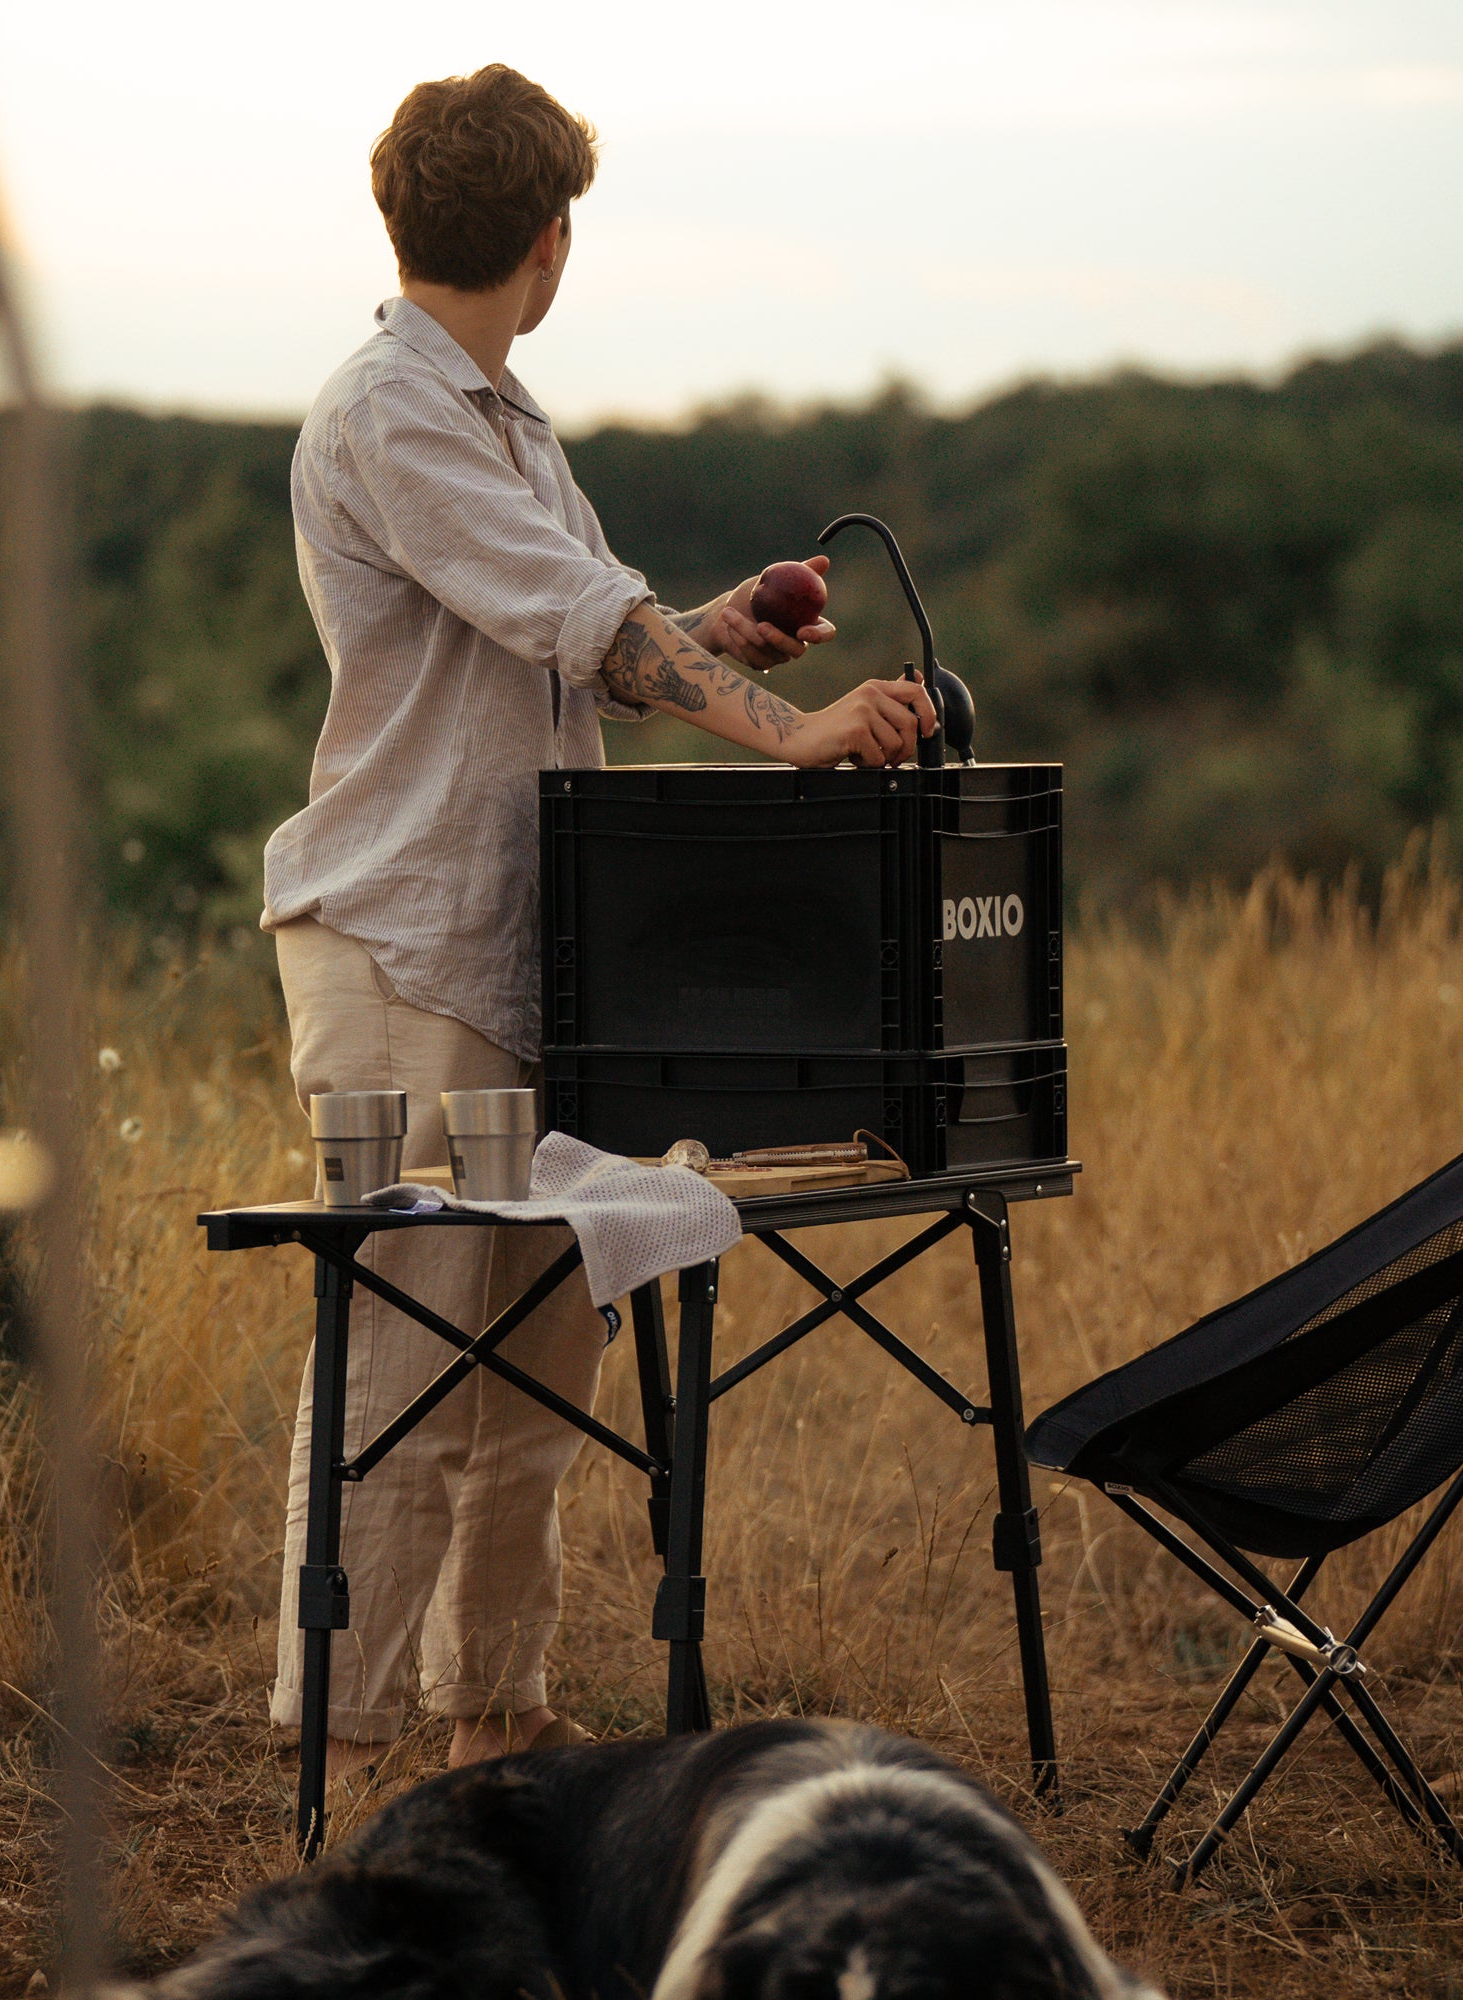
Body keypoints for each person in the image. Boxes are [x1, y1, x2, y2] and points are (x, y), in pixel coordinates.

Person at [261, 63, 936, 1781]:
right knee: (404, 1354)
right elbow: (582, 616)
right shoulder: (392, 411)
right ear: (551, 240)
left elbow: (580, 641)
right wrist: (792, 730)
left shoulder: (504, 417)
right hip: (407, 941)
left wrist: (714, 632)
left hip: (530, 943)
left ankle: (492, 1710)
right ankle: (346, 1741)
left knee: (535, 1352)